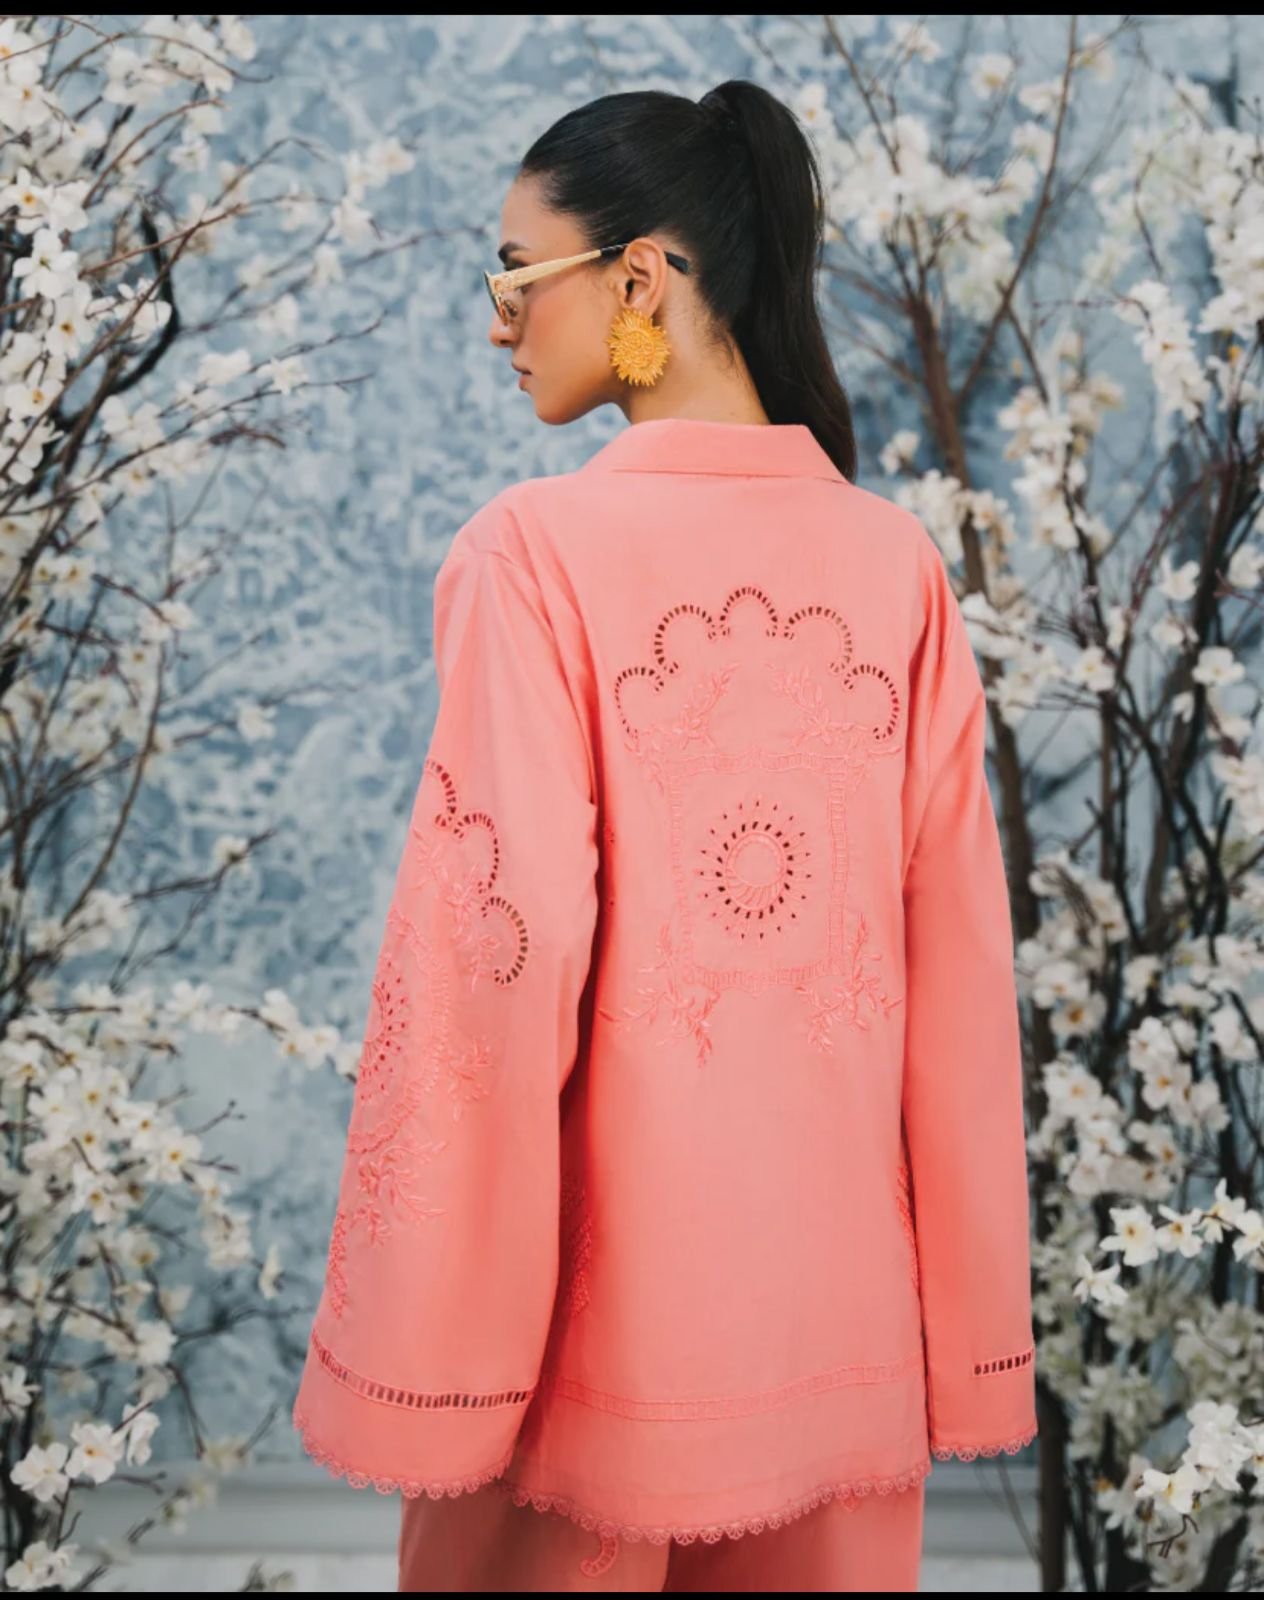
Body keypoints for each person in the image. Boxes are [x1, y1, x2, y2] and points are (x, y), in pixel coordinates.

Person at [290, 78, 1038, 1593]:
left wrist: (435, 1349)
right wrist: (965, 1343)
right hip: (840, 1349)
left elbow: (486, 975)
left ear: (638, 279)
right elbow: (963, 986)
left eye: (518, 271)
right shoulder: (896, 565)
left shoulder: (533, 556)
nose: (500, 319)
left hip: (591, 1367)